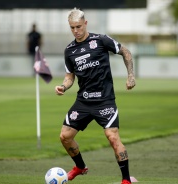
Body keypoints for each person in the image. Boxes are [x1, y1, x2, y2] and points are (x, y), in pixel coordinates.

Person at [54, 8, 136, 184]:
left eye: (78, 26)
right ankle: (80, 167)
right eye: (72, 28)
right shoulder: (69, 50)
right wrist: (63, 86)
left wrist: (131, 76)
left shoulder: (100, 40)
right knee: (65, 136)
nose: (76, 31)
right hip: (83, 101)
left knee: (112, 137)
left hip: (105, 101)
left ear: (85, 23)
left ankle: (126, 180)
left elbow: (126, 52)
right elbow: (70, 77)